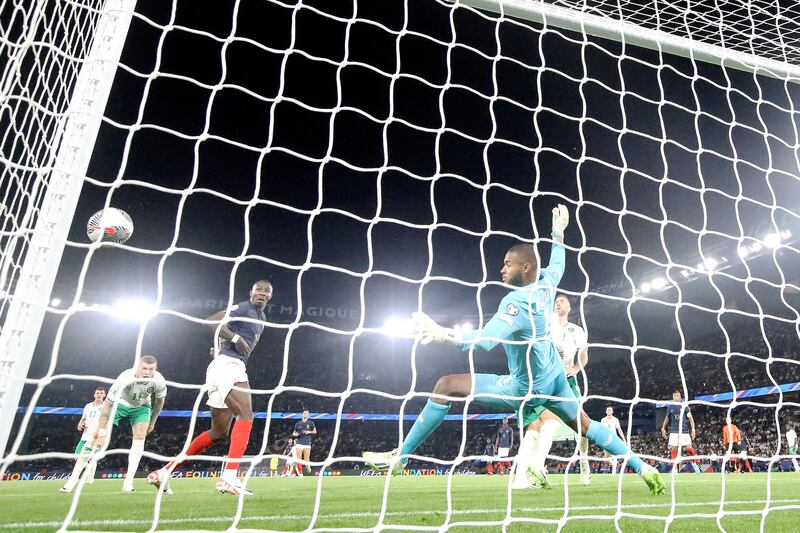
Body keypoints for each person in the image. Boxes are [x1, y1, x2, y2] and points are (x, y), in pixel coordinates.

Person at [363, 205, 665, 495]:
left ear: (526, 267)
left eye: (508, 263)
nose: (502, 268)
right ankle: (643, 468)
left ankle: (401, 457)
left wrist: (444, 334)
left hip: (525, 388)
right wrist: (557, 233)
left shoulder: (515, 302)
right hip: (556, 381)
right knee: (587, 426)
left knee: (445, 386)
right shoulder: (547, 284)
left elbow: (485, 341)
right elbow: (558, 262)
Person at [148, 280, 273, 496]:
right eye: (259, 290)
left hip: (225, 367)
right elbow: (210, 322)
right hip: (228, 366)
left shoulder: (262, 317)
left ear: (270, 296)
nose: (262, 293)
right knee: (246, 414)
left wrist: (221, 344)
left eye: (266, 291)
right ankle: (229, 477)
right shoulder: (244, 307)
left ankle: (164, 472)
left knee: (218, 433)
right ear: (251, 292)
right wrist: (233, 338)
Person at [512, 294, 591, 488]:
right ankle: (535, 468)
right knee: (544, 423)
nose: (558, 302)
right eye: (556, 301)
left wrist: (575, 368)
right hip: (546, 380)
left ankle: (583, 463)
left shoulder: (576, 330)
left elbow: (584, 354)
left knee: (581, 428)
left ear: (569, 307)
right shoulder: (546, 326)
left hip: (568, 381)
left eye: (562, 301)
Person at [62, 356, 167, 493]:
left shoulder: (158, 380)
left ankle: (128, 483)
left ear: (155, 369)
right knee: (94, 437)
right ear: (137, 367)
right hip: (119, 404)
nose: (147, 372)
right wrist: (102, 432)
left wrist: (152, 422)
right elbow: (107, 405)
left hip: (141, 407)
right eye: (144, 368)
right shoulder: (124, 377)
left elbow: (159, 402)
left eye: (151, 369)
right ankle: (72, 481)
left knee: (140, 436)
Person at [59, 388, 106, 492]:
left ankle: (89, 478)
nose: (99, 394)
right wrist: (80, 424)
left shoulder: (105, 406)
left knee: (88, 457)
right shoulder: (88, 406)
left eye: (101, 393)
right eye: (97, 393)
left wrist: (102, 434)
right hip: (85, 435)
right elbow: (84, 418)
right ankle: (89, 477)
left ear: (104, 395)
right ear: (94, 394)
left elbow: (106, 421)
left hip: (96, 435)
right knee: (78, 456)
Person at [661, 391, 701, 474]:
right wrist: (663, 427)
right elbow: (667, 418)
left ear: (680, 397)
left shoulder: (684, 405)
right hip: (674, 431)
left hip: (684, 431)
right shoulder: (670, 407)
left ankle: (694, 463)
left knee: (688, 448)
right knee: (674, 448)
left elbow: (690, 418)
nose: (675, 397)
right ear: (673, 397)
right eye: (674, 396)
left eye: (677, 396)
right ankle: (675, 469)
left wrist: (693, 429)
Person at [600, 407, 626, 474]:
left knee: (614, 455)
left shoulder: (615, 420)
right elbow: (601, 430)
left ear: (612, 412)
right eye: (608, 410)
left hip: (614, 438)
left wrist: (623, 439)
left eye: (610, 410)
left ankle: (614, 471)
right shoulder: (603, 420)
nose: (609, 411)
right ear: (606, 412)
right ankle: (614, 464)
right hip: (605, 439)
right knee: (606, 458)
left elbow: (619, 429)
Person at [292, 409, 317, 476]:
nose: (305, 414)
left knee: (306, 459)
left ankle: (307, 465)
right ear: (302, 414)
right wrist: (295, 434)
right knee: (299, 458)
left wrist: (310, 432)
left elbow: (315, 431)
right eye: (304, 413)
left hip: (307, 442)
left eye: (306, 413)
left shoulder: (311, 423)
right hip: (299, 442)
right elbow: (294, 433)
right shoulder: (298, 423)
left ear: (308, 415)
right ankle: (301, 474)